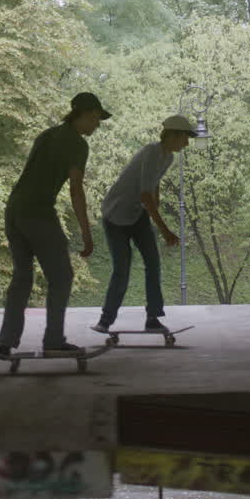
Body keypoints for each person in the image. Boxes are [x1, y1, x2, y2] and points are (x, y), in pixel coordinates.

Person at [0, 92, 111, 357]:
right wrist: (86, 231)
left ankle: (5, 343)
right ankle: (54, 340)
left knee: (22, 277)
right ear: (82, 115)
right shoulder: (78, 145)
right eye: (94, 118)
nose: (97, 124)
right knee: (62, 276)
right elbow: (76, 190)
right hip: (38, 211)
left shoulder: (47, 135)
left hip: (14, 208)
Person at [91, 114, 196, 334]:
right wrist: (165, 229)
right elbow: (145, 196)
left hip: (136, 214)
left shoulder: (167, 158)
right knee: (122, 268)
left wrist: (156, 200)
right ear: (174, 135)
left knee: (153, 263)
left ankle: (153, 319)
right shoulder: (151, 152)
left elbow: (152, 183)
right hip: (115, 215)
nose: (187, 143)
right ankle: (105, 320)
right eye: (185, 138)